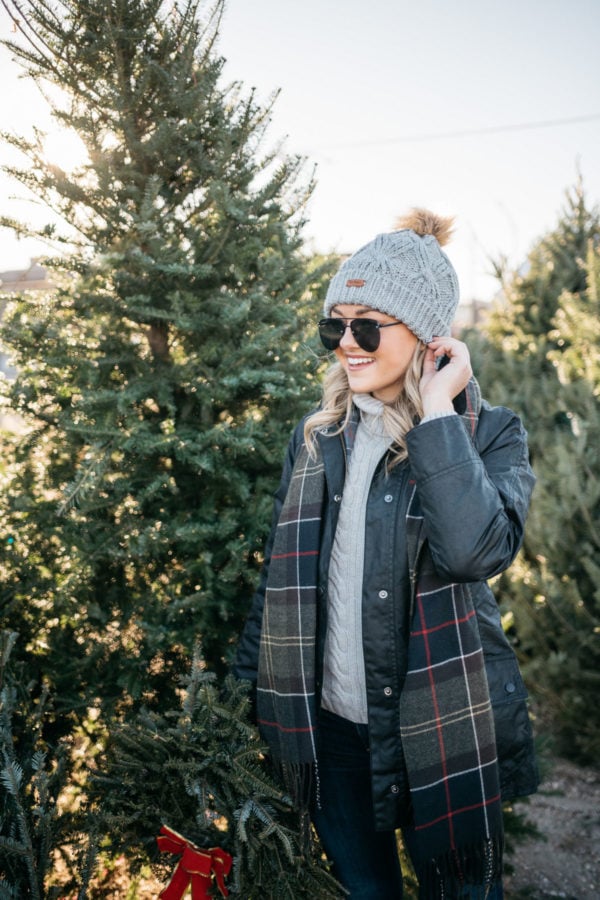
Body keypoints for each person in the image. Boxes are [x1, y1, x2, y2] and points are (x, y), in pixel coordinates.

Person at [234, 209, 538, 899]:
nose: (347, 343)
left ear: (429, 338)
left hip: (438, 728)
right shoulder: (318, 438)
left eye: (367, 325)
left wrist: (436, 414)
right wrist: (241, 695)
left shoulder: (488, 435)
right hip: (332, 728)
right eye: (334, 324)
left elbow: (475, 551)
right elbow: (281, 583)